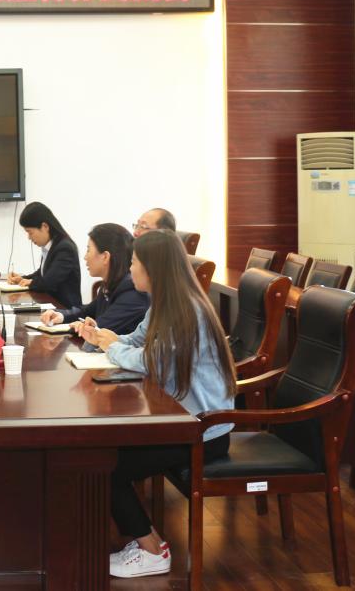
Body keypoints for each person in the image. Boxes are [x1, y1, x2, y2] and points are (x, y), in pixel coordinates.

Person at [75, 230, 236, 579]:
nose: (130, 269)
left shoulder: (185, 311)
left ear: (153, 268)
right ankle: (143, 540)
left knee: (106, 466)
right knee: (103, 455)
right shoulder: (165, 302)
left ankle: (153, 551)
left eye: (134, 263)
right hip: (179, 420)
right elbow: (137, 341)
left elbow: (151, 362)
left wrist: (112, 348)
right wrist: (101, 337)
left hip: (203, 430)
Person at [40, 223, 148, 337]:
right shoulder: (111, 283)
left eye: (88, 250)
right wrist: (61, 316)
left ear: (105, 257)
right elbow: (87, 311)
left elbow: (101, 328)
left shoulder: (132, 291)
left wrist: (81, 326)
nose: (85, 257)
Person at [6, 202, 81, 308]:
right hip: (51, 306)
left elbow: (49, 282)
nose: (29, 237)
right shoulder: (51, 246)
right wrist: (21, 278)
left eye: (30, 232)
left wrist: (30, 282)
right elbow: (42, 274)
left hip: (65, 310)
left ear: (45, 226)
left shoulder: (65, 248)